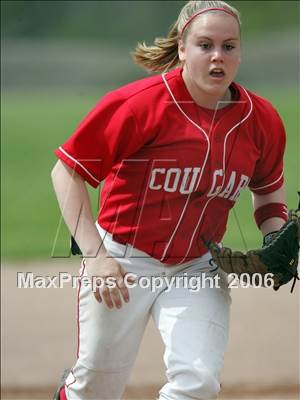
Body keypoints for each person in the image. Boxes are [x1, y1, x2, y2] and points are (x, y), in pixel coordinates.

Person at [51, 1, 289, 399]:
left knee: (198, 383)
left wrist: (274, 235)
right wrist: (96, 256)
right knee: (94, 390)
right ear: (182, 48)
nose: (218, 56)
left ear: (240, 52)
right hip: (123, 261)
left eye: (229, 46)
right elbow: (67, 172)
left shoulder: (261, 120)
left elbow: (267, 188)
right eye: (205, 44)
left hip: (197, 266)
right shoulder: (139, 104)